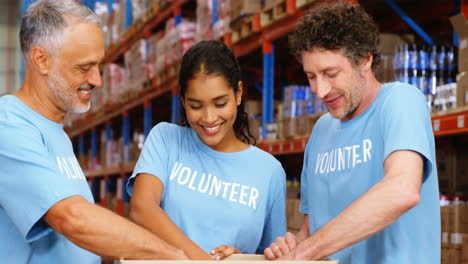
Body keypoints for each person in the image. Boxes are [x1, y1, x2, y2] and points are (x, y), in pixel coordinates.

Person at [0, 0, 188, 263]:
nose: (97, 80)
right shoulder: (8, 125)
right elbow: (73, 218)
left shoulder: (57, 134)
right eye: (83, 67)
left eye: (98, 66)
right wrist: (172, 255)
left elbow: (72, 244)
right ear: (41, 60)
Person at [264, 1, 440, 263]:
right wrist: (291, 246)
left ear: (365, 59)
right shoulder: (321, 131)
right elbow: (311, 231)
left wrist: (304, 252)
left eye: (331, 73)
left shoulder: (400, 101)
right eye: (311, 76)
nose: (320, 91)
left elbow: (402, 188)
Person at [127, 40, 287, 260]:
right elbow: (142, 207)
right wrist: (203, 260)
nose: (209, 118)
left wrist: (240, 258)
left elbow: (270, 255)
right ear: (183, 100)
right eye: (196, 106)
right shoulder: (165, 139)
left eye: (220, 104)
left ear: (238, 93)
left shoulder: (269, 171)